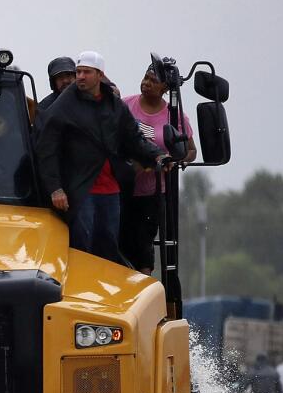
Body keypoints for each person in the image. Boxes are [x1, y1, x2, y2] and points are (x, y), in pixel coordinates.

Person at [36, 50, 166, 267]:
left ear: (99, 75)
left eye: (86, 72)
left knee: (108, 249)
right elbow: (46, 148)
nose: (80, 77)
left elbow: (133, 138)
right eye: (78, 72)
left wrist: (158, 156)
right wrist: (55, 188)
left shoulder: (114, 105)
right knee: (81, 249)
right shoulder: (63, 105)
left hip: (111, 190)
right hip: (80, 190)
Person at [121, 62, 197, 273]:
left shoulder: (175, 117)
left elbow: (191, 151)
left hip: (154, 193)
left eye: (153, 81)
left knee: (144, 246)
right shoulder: (125, 106)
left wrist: (172, 160)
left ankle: (143, 289)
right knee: (119, 244)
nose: (146, 84)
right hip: (121, 188)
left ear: (165, 88)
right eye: (145, 78)